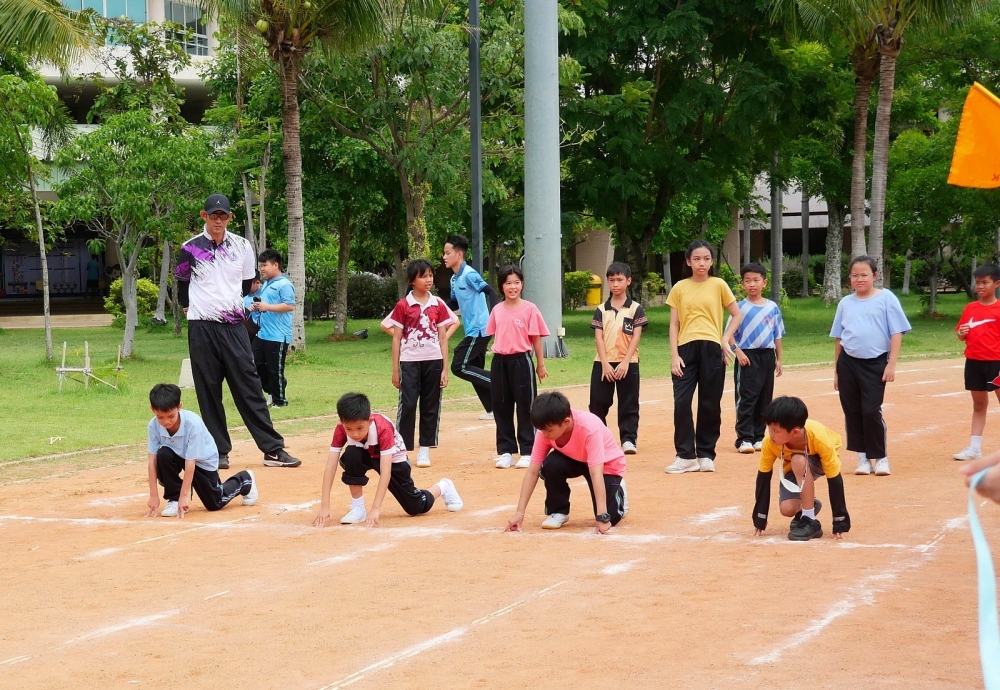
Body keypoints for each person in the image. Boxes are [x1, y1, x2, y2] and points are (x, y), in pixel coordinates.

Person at [175, 193, 300, 470]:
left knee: (250, 387)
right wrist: (189, 307)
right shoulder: (189, 248)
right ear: (204, 216)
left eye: (223, 216)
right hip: (201, 327)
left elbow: (246, 284)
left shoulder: (242, 246)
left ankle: (272, 449)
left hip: (233, 327)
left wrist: (228, 304)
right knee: (209, 391)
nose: (218, 220)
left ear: (230, 217)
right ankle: (218, 452)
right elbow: (183, 283)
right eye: (213, 215)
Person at [311, 392, 464, 527]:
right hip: (367, 454)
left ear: (370, 421)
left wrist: (376, 508)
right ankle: (358, 509)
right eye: (349, 429)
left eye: (360, 428)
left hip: (393, 460)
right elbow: (331, 466)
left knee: (415, 507)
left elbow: (386, 471)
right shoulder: (341, 428)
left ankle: (444, 486)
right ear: (342, 422)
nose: (355, 434)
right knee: (351, 455)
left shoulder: (382, 428)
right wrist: (325, 505)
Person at [664, 240, 742, 474]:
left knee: (709, 403)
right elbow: (674, 324)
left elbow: (736, 315)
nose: (702, 263)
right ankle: (685, 456)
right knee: (682, 402)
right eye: (697, 259)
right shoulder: (679, 287)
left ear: (711, 261)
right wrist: (674, 355)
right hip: (685, 350)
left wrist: (725, 339)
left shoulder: (719, 284)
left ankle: (706, 454)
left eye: (706, 259)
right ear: (688, 261)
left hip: (712, 349)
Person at [830, 255, 911, 476]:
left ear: (874, 276)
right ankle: (863, 458)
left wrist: (891, 364)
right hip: (848, 362)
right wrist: (837, 371)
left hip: (875, 362)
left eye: (864, 275)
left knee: (870, 410)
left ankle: (881, 457)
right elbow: (839, 338)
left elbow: (897, 332)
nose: (859, 279)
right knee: (852, 410)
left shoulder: (886, 298)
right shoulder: (845, 303)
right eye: (855, 275)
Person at [505, 391, 627, 533]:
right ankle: (558, 511)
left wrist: (602, 516)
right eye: (541, 430)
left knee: (611, 517)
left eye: (549, 431)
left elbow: (596, 473)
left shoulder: (589, 428)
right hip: (576, 458)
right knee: (551, 464)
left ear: (566, 422)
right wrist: (519, 513)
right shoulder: (546, 430)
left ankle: (619, 491)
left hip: (605, 464)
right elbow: (532, 471)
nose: (544, 435)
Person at [380, 259, 459, 468]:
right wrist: (395, 370)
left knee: (430, 405)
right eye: (423, 276)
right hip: (409, 362)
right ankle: (403, 450)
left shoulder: (438, 304)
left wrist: (444, 368)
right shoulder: (403, 305)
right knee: (407, 405)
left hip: (433, 361)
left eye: (430, 275)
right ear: (412, 280)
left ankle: (425, 450)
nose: (429, 280)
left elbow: (443, 338)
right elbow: (396, 338)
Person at [145, 383, 258, 518]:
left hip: (201, 461)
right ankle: (173, 498)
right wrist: (153, 495)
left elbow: (190, 461)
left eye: (171, 416)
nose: (166, 422)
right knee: (163, 454)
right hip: (178, 456)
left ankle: (245, 479)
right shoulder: (153, 426)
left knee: (215, 503)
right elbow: (152, 460)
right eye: (160, 417)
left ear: (179, 407)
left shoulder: (193, 423)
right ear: (153, 410)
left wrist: (184, 496)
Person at [751, 396, 851, 541]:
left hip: (817, 461)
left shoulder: (818, 436)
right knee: (787, 509)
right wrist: (760, 517)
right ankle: (810, 504)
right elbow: (763, 477)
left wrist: (839, 520)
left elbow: (835, 480)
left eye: (776, 431)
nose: (771, 435)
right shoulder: (769, 442)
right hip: (792, 467)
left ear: (795, 432)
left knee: (798, 460)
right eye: (769, 429)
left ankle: (809, 519)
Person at [486, 265, 550, 469]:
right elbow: (494, 334)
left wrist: (540, 364)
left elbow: (536, 338)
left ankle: (528, 451)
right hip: (500, 362)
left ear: (522, 284)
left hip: (522, 362)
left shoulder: (530, 309)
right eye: (508, 283)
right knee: (501, 407)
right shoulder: (497, 310)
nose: (512, 287)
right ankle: (506, 451)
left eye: (516, 282)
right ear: (501, 286)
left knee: (526, 407)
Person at [590, 262, 647, 454]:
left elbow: (636, 336)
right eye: (612, 280)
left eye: (620, 280)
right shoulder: (601, 309)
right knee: (598, 403)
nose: (615, 284)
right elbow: (598, 337)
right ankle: (601, 440)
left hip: (628, 363)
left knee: (629, 402)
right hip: (603, 363)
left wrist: (625, 362)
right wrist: (605, 364)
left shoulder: (635, 308)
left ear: (628, 281)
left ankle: (628, 440)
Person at [729, 262, 785, 454]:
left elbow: (777, 334)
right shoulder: (739, 308)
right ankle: (744, 438)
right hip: (747, 356)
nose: (752, 284)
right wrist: (738, 351)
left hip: (767, 356)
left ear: (764, 282)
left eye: (756, 280)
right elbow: (729, 335)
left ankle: (759, 436)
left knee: (764, 398)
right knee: (746, 397)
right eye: (747, 281)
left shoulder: (772, 307)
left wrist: (779, 359)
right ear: (742, 284)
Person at [443, 234, 499, 420]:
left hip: (480, 329)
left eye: (447, 253)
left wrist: (495, 317)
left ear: (459, 254)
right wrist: (435, 308)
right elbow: (453, 303)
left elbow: (491, 292)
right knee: (474, 369)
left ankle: (500, 383)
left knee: (459, 365)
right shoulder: (454, 279)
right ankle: (493, 410)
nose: (444, 257)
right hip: (472, 330)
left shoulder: (469, 274)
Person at [952, 264, 1000, 461]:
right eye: (977, 282)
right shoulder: (970, 308)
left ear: (997, 283)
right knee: (979, 405)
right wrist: (961, 333)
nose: (980, 286)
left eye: (985, 282)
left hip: (996, 363)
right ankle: (974, 448)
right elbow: (961, 336)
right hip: (974, 362)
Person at [249, 249, 295, 408]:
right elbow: (265, 304)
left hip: (278, 335)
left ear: (276, 265)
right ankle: (272, 390)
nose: (262, 269)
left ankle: (280, 401)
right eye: (261, 265)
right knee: (255, 364)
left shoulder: (285, 284)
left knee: (275, 369)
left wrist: (267, 307)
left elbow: (290, 306)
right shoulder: (267, 284)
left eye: (265, 265)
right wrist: (257, 307)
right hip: (263, 333)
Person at [242, 271, 262, 349]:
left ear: (257, 283)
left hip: (257, 333)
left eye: (248, 284)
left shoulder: (263, 295)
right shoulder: (243, 296)